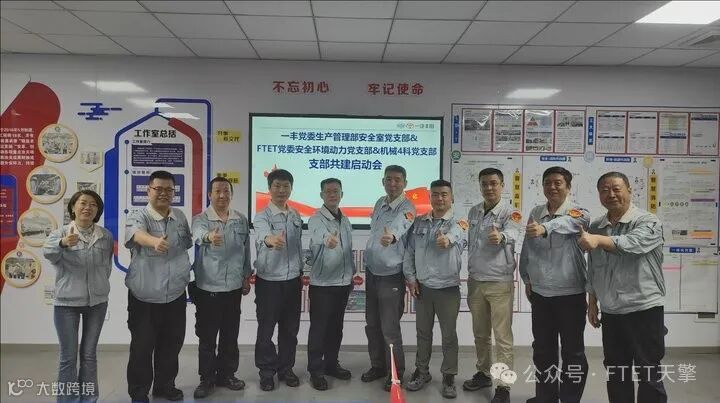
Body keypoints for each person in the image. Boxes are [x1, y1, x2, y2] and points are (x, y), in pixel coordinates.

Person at [579, 171, 667, 403]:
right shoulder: (597, 226)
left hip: (644, 308)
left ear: (629, 190)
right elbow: (593, 268)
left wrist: (599, 240)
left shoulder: (648, 221)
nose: (611, 194)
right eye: (604, 190)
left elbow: (632, 244)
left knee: (648, 369)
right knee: (616, 369)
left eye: (616, 189)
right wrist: (592, 302)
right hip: (612, 311)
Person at [519, 166, 590, 403]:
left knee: (573, 351)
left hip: (570, 294)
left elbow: (570, 223)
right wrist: (527, 277)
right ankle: (546, 397)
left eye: (558, 182)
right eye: (547, 182)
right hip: (541, 293)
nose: (552, 187)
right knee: (542, 350)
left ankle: (570, 399)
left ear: (568, 187)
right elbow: (528, 246)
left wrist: (545, 227)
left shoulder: (579, 213)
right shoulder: (536, 212)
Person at [124, 170, 193, 402]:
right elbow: (136, 234)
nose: (164, 193)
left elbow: (185, 245)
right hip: (145, 296)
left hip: (175, 294)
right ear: (148, 190)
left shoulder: (179, 216)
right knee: (142, 347)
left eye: (168, 190)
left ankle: (165, 386)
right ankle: (139, 392)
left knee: (171, 345)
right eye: (158, 189)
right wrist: (154, 241)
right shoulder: (139, 215)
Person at [43, 190, 112, 403]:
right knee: (68, 357)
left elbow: (106, 267)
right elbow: (48, 253)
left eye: (93, 204)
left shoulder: (105, 235)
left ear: (98, 210)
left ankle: (89, 399)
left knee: (89, 355)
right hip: (66, 304)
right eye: (83, 203)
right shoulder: (61, 233)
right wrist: (63, 243)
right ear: (73, 207)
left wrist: (100, 285)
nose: (87, 207)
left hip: (97, 303)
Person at [403, 179, 467, 399]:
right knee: (423, 333)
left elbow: (458, 234)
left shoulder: (460, 222)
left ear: (451, 197)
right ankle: (422, 371)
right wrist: (411, 279)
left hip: (448, 289)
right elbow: (409, 253)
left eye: (444, 194)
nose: (440, 198)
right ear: (430, 197)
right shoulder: (419, 223)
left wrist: (447, 239)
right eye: (436, 194)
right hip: (423, 288)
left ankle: (449, 375)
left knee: (449, 335)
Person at [463, 168, 522, 403]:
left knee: (502, 337)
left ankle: (504, 386)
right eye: (484, 184)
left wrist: (502, 237)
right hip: (476, 281)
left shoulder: (511, 212)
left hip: (499, 283)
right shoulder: (474, 211)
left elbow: (513, 232)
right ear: (480, 186)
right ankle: (483, 373)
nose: (489, 187)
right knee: (480, 334)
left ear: (502, 185)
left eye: (493, 183)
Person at [190, 177, 252, 398]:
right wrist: (209, 236)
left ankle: (227, 375)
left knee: (230, 335)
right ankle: (206, 379)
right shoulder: (201, 219)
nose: (222, 195)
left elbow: (246, 251)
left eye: (226, 191)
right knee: (207, 337)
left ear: (231, 194)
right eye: (217, 191)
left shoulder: (240, 219)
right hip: (209, 288)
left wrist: (246, 276)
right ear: (210, 194)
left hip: (233, 287)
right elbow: (198, 235)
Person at [361, 165, 416, 391]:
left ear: (405, 183)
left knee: (389, 328)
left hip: (391, 276)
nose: (393, 184)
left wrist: (391, 236)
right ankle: (378, 366)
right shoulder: (379, 203)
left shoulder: (408, 208)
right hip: (372, 273)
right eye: (389, 179)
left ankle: (395, 373)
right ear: (383, 181)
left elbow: (399, 226)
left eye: (397, 180)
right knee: (372, 324)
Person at [253, 169, 304, 391]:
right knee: (266, 330)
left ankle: (286, 369)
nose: (282, 190)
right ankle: (266, 372)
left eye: (286, 186)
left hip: (292, 280)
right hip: (269, 282)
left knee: (290, 330)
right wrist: (270, 240)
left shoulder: (295, 215)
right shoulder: (262, 216)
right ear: (269, 189)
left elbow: (298, 245)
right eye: (277, 186)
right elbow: (263, 235)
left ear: (291, 188)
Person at [306, 178, 355, 391]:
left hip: (343, 283)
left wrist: (351, 275)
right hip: (323, 285)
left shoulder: (345, 220)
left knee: (336, 328)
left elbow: (347, 250)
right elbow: (320, 235)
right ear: (321, 195)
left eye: (336, 191)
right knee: (319, 329)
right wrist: (328, 239)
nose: (332, 195)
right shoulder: (316, 219)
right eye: (328, 192)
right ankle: (316, 371)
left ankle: (331, 364)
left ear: (341, 194)